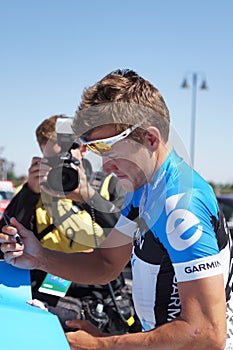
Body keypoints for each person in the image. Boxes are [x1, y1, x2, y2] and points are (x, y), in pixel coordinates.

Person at [0, 69, 232, 350]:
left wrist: (103, 345)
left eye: (110, 149)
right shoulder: (141, 190)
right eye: (96, 152)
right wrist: (39, 257)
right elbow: (106, 264)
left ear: (150, 138)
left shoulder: (181, 204)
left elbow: (206, 333)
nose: (105, 166)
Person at [0, 114, 129, 332]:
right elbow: (6, 241)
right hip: (51, 299)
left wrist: (89, 196)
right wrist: (30, 193)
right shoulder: (34, 192)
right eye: (52, 160)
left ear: (84, 150)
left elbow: (128, 240)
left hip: (100, 296)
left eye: (68, 157)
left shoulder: (109, 186)